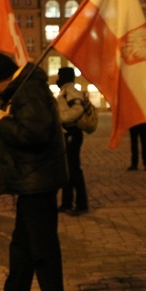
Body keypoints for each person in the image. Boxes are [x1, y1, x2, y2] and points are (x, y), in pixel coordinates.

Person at [0, 50, 68, 291]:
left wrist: (2, 121)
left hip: (37, 180)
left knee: (43, 248)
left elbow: (34, 133)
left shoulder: (29, 90)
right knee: (21, 245)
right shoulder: (24, 88)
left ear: (2, 78)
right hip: (30, 180)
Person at [55, 67, 89, 214]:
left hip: (72, 132)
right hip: (67, 132)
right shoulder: (65, 90)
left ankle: (81, 204)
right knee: (67, 168)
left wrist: (61, 119)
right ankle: (67, 202)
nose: (57, 78)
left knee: (74, 168)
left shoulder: (71, 91)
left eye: (59, 76)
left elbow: (77, 109)